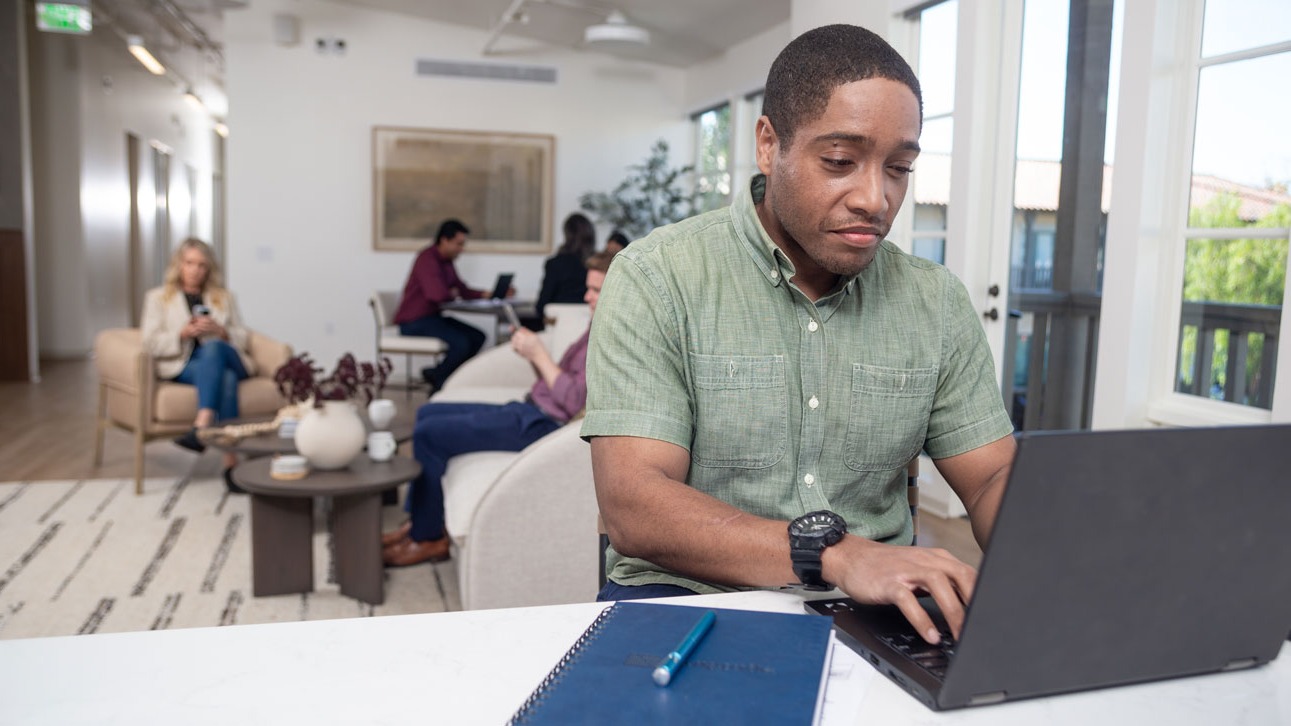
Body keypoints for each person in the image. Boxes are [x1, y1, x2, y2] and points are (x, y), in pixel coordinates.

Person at [581, 24, 1016, 646]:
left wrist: (1058, 554)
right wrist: (838, 555)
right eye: (839, 162)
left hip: (878, 611)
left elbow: (993, 477)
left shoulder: (936, 301)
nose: (876, 197)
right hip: (682, 599)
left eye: (899, 168)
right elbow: (635, 505)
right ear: (769, 144)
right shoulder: (657, 278)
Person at [382, 250, 617, 567]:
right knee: (427, 413)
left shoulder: (610, 337)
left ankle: (428, 539)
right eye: (588, 288)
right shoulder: (594, 325)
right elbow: (556, 382)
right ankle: (421, 521)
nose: (586, 296)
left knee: (428, 434)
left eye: (596, 290)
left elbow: (572, 400)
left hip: (542, 424)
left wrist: (539, 355)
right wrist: (533, 356)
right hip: (531, 408)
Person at [141, 237, 256, 494]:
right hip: (185, 365)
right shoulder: (158, 298)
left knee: (213, 348)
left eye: (202, 265)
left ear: (208, 269)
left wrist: (221, 331)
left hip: (227, 356)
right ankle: (231, 464)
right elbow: (149, 342)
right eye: (190, 263)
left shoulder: (223, 298)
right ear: (178, 265)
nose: (195, 270)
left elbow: (244, 336)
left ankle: (202, 423)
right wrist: (182, 333)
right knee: (225, 379)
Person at [393, 219, 492, 392]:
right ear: (444, 240)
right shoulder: (426, 259)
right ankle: (440, 383)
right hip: (414, 322)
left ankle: (439, 375)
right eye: (459, 244)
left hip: (433, 318)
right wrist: (451, 292)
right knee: (460, 343)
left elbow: (460, 289)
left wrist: (486, 294)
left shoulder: (447, 262)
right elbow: (436, 294)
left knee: (478, 337)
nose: (462, 249)